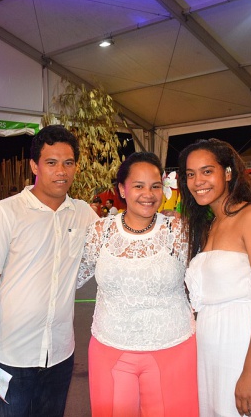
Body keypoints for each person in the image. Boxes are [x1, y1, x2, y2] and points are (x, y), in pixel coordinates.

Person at [0, 125, 98, 417]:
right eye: (51, 162)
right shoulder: (4, 213)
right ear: (34, 166)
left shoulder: (84, 215)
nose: (61, 171)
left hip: (60, 356)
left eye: (68, 163)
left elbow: (121, 242)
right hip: (9, 357)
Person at [78, 152, 198, 417]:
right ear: (122, 189)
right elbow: (70, 278)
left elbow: (205, 281)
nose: (148, 194)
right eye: (139, 186)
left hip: (174, 348)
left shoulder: (178, 230)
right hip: (109, 348)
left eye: (155, 186)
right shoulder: (100, 231)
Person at [179, 139, 251, 417]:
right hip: (211, 354)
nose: (197, 181)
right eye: (190, 174)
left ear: (228, 172)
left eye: (207, 171)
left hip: (248, 351)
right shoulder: (208, 226)